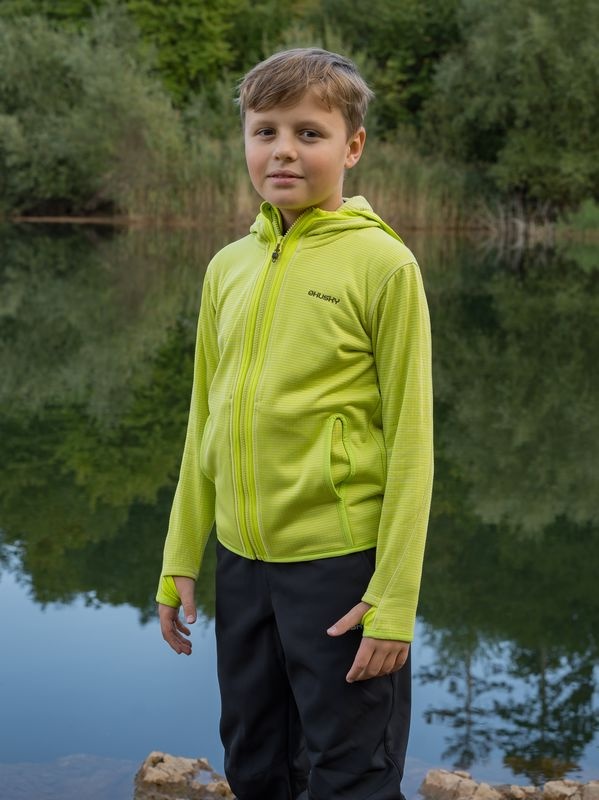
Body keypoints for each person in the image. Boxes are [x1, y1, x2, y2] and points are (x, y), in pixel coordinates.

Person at [157, 47, 433, 800]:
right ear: (245, 140)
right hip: (241, 565)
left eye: (309, 133)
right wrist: (180, 554)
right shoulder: (227, 267)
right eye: (265, 131)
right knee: (255, 765)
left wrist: (394, 601)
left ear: (352, 146)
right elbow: (204, 421)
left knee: (349, 774)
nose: (283, 150)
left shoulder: (383, 265)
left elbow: (413, 445)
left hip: (340, 569)